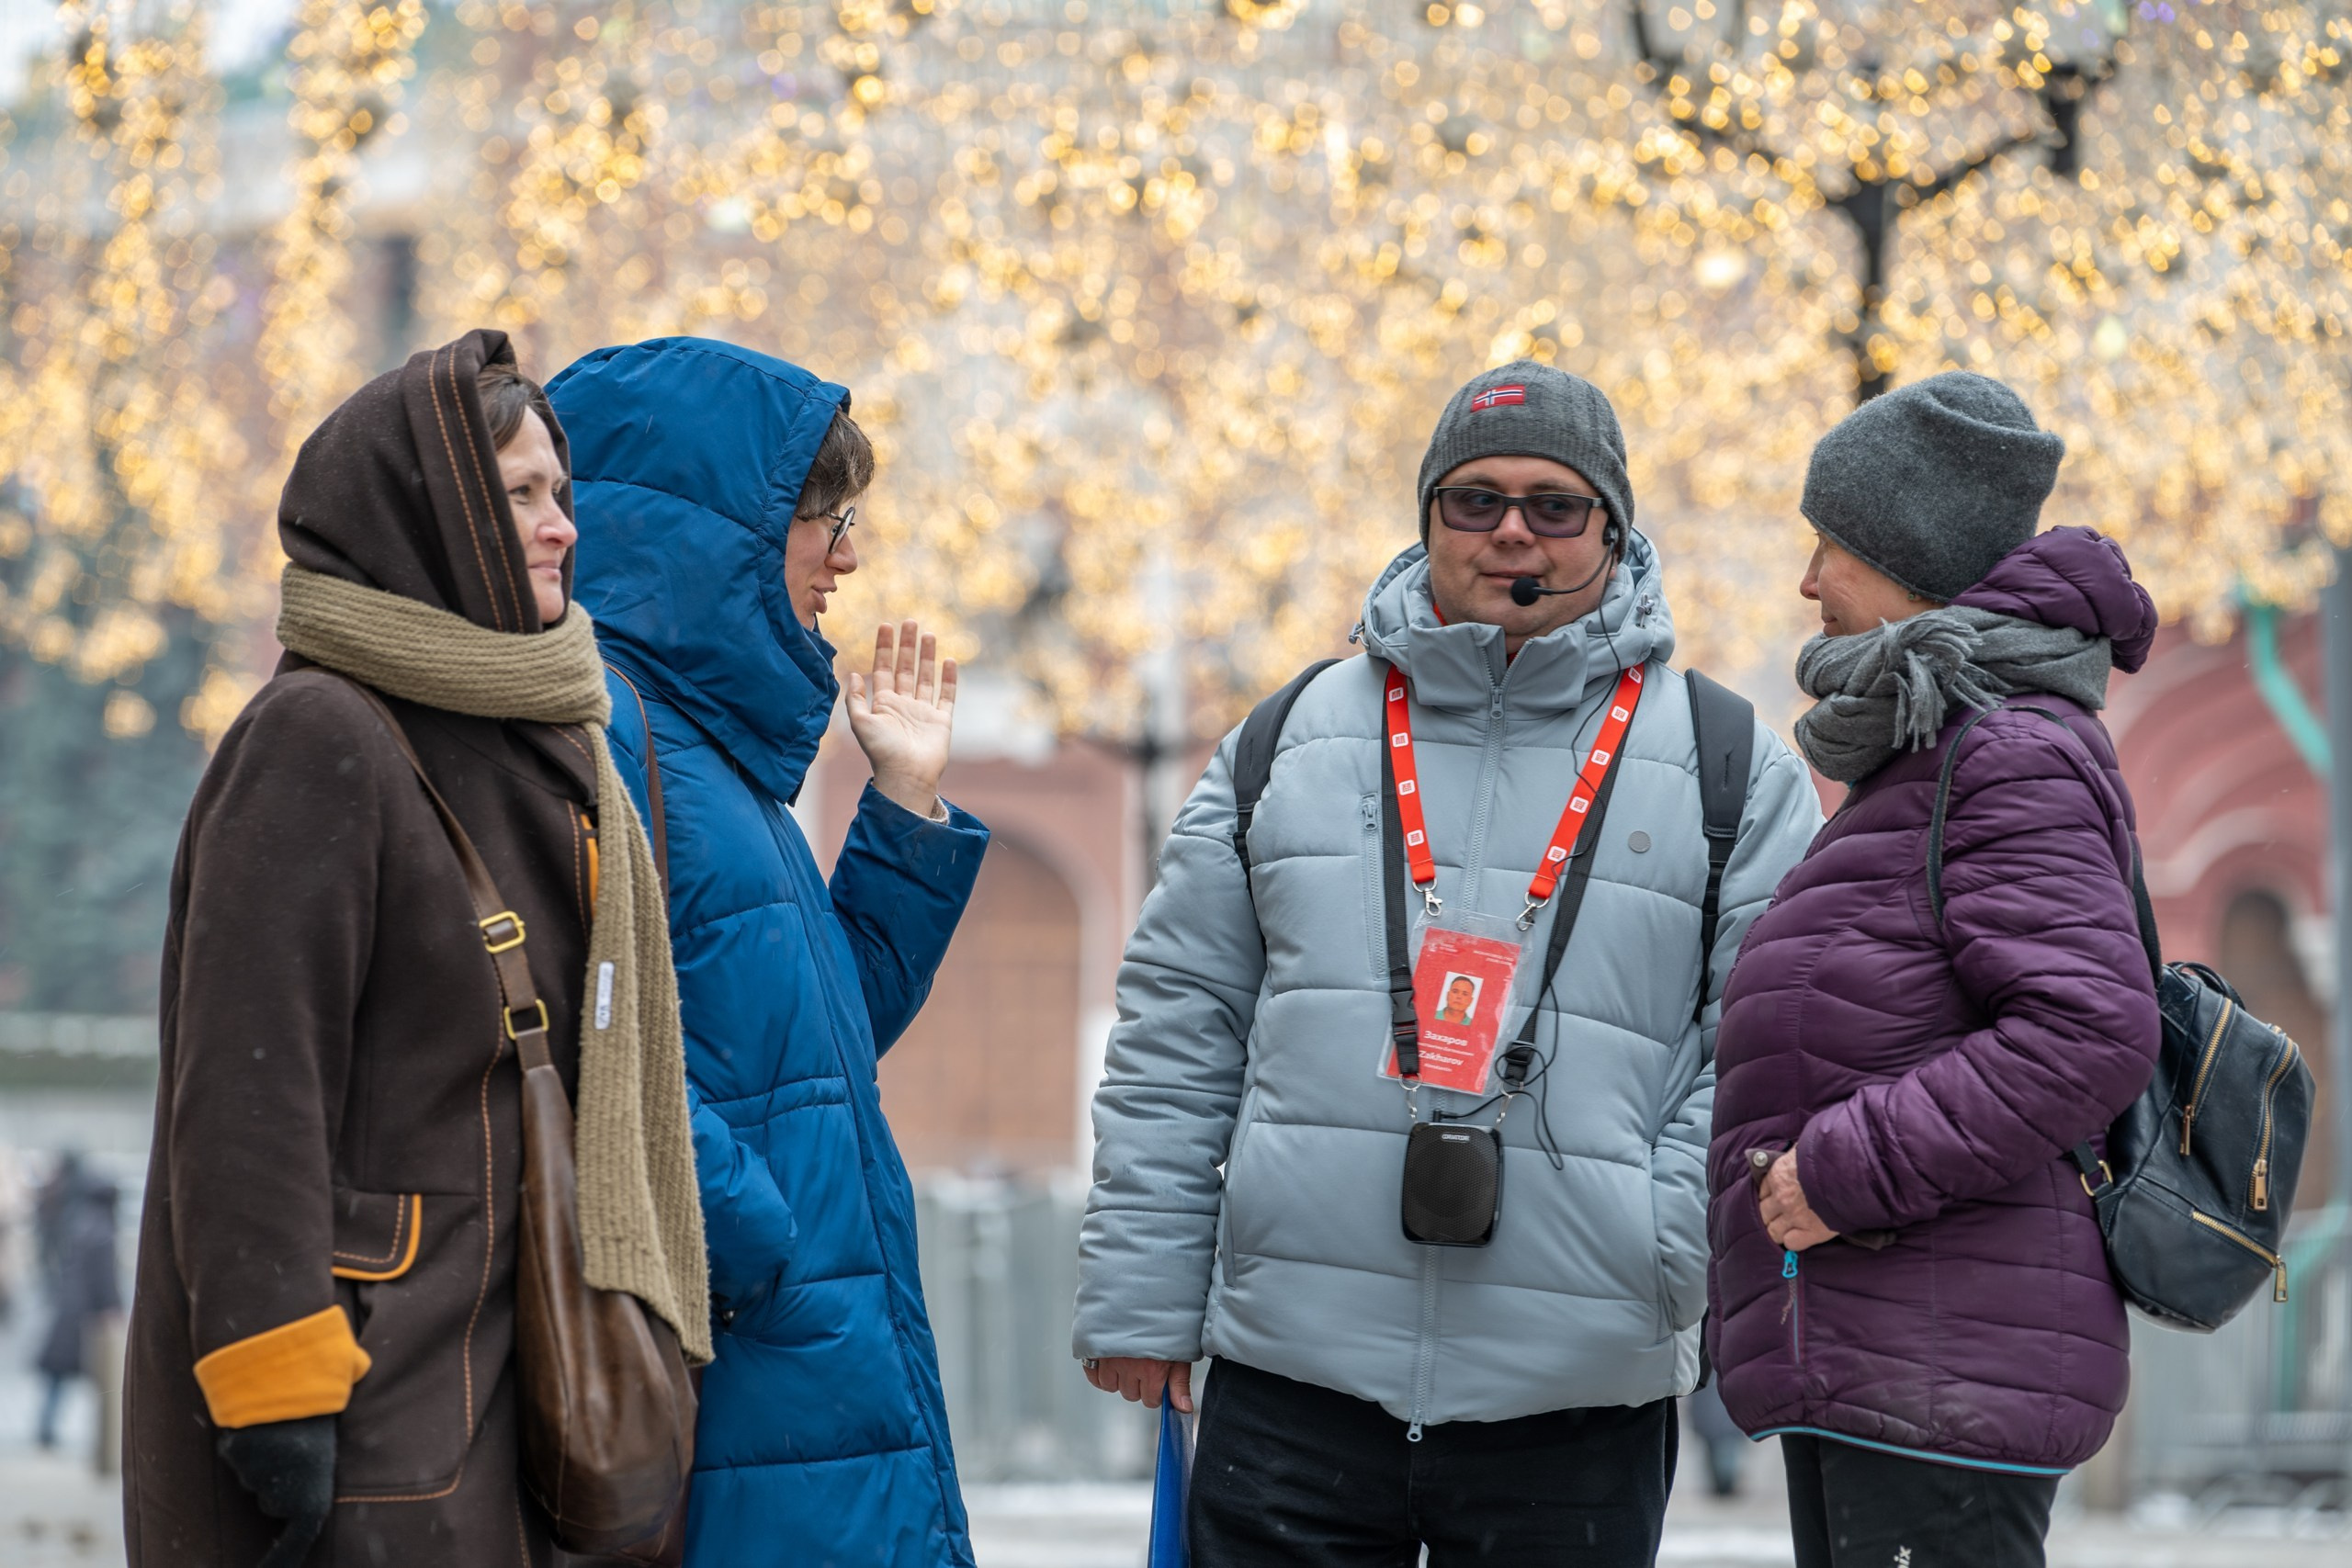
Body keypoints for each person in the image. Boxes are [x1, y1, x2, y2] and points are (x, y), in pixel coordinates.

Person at [1073, 362, 1821, 1564]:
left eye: (1553, 503)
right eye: (1472, 499)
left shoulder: (1730, 760)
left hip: (1577, 1390)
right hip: (1293, 1370)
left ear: (1614, 529)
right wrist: (1144, 1297)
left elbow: (1773, 1046)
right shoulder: (1287, 737)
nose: (1511, 528)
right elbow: (1179, 1026)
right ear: (1425, 521)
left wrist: (1659, 1235)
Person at [124, 331, 708, 1567]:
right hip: (376, 1396)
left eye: (564, 494)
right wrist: (279, 1383)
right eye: (521, 495)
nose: (562, 527)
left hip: (525, 1366)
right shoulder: (320, 731)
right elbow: (247, 1095)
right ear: (430, 512)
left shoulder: (545, 730)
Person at [1709, 372, 2164, 1568]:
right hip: (1905, 1356)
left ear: (1909, 559)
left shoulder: (2005, 747)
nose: (1808, 580)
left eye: (1834, 545)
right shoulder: (1938, 750)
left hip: (1942, 1364)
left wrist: (1839, 1170)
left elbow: (2088, 1027)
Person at [552, 338, 988, 1568]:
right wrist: (764, 1239)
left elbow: (812, 1051)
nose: (846, 555)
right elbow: (579, 1045)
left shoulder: (710, 761)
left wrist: (903, 810)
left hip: (801, 1365)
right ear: (709, 537)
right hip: (745, 1367)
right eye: (819, 518)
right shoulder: (612, 738)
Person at [32, 1149, 119, 1450]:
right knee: (103, 1379)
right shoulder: (103, 1229)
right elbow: (105, 1278)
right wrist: (113, 1309)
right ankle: (105, 1437)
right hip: (86, 1314)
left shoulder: (79, 1220)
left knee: (59, 1374)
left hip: (68, 1308)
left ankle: (46, 1427)